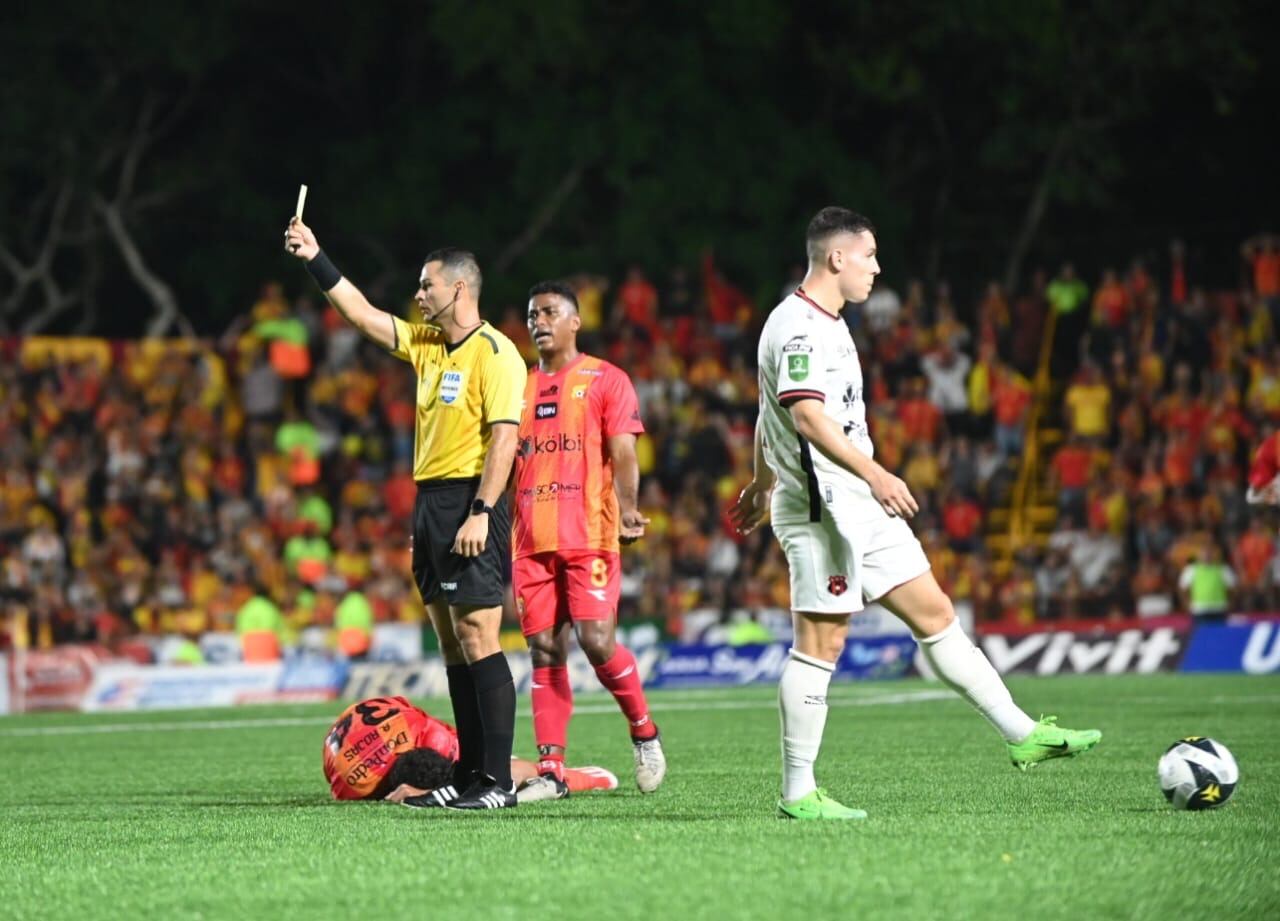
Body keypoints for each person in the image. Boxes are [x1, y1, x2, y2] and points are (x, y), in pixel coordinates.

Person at [730, 206, 1101, 821]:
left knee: (935, 613)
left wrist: (762, 480)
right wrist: (874, 473)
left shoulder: (828, 321)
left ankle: (1021, 734)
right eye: (869, 255)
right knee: (821, 641)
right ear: (837, 257)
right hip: (826, 507)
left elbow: (769, 413)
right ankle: (798, 792)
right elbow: (804, 417)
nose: (877, 268)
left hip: (855, 499)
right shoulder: (798, 326)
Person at [285, 219, 527, 810]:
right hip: (430, 502)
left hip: (471, 497)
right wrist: (315, 256)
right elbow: (362, 315)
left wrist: (481, 511)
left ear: (459, 289)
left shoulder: (497, 354)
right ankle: (468, 774)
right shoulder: (426, 344)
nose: (418, 294)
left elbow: (504, 439)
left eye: (426, 285)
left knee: (479, 634)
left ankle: (496, 783)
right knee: (452, 643)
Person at [512, 281, 666, 802]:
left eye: (549, 312)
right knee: (543, 649)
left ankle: (644, 732)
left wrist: (629, 509)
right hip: (530, 537)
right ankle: (551, 770)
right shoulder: (516, 387)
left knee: (596, 641)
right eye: (532, 314)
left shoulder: (606, 379)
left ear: (575, 321)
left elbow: (623, 452)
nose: (539, 322)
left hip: (590, 532)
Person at [323, 696, 617, 802]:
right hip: (387, 717)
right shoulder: (359, 784)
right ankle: (581, 778)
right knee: (490, 775)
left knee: (490, 772)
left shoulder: (437, 738)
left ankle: (560, 775)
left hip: (370, 727)